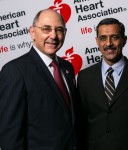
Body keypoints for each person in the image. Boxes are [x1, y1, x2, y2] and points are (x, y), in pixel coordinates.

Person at [0, 9, 77, 149]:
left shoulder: (68, 67)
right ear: (32, 32)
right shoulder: (15, 71)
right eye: (46, 29)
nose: (53, 36)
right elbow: (10, 136)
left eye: (59, 30)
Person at [76, 18, 128, 150]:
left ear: (124, 40)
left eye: (114, 37)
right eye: (103, 38)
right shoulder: (84, 77)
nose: (109, 43)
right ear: (97, 41)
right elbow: (81, 125)